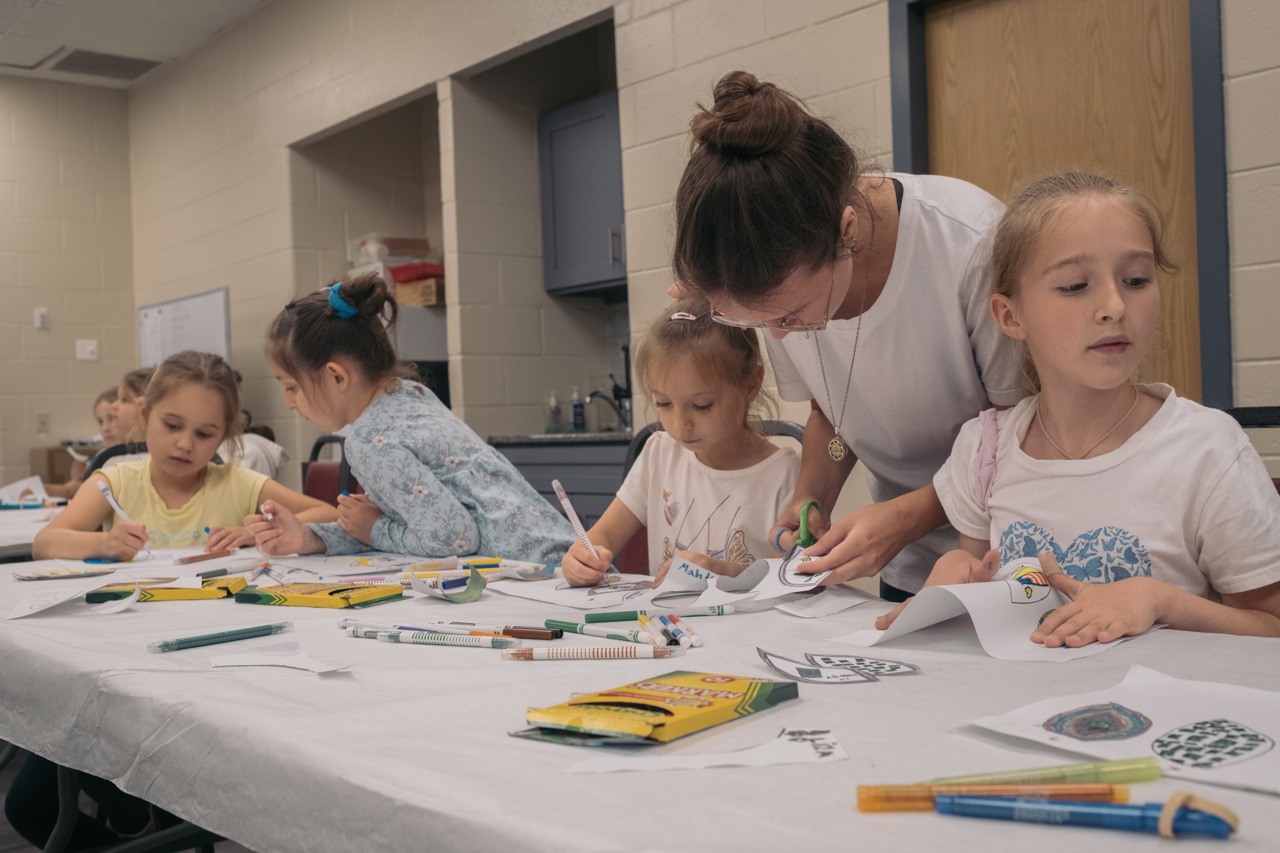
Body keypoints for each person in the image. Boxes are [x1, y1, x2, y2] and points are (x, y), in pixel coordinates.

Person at [875, 172, 1280, 644]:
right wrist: (956, 577)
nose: (1114, 306)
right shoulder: (984, 450)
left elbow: (1271, 626)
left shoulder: (1208, 450)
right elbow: (985, 595)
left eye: (1136, 280)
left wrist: (1160, 600)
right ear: (1010, 316)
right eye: (1074, 286)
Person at [669, 71, 1024, 599]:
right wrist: (809, 497)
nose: (779, 336)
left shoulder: (971, 245)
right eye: (758, 322)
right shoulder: (774, 278)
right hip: (909, 568)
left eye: (792, 316)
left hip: (1008, 563)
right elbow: (831, 412)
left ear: (847, 233)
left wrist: (905, 518)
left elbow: (1023, 434)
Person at [247, 275, 574, 562]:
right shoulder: (410, 394)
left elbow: (454, 539)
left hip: (538, 574)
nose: (288, 404)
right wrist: (309, 537)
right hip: (566, 554)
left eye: (291, 387)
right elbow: (411, 527)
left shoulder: (368, 441)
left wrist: (375, 528)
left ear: (336, 376)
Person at [562, 298, 800, 586]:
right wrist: (582, 558)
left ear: (750, 384)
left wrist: (725, 573)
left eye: (701, 405)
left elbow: (804, 583)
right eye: (663, 403)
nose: (679, 425)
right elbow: (603, 536)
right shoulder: (659, 453)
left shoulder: (785, 474)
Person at [33, 351, 335, 560]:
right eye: (172, 426)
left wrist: (254, 532)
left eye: (204, 434)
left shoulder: (238, 484)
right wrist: (105, 542)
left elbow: (330, 515)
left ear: (223, 436)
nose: (185, 444)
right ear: (145, 414)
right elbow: (43, 543)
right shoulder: (113, 483)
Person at [40, 389, 120, 500]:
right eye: (100, 421)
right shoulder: (101, 457)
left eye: (111, 419)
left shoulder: (135, 459)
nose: (105, 428)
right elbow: (71, 490)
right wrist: (80, 479)